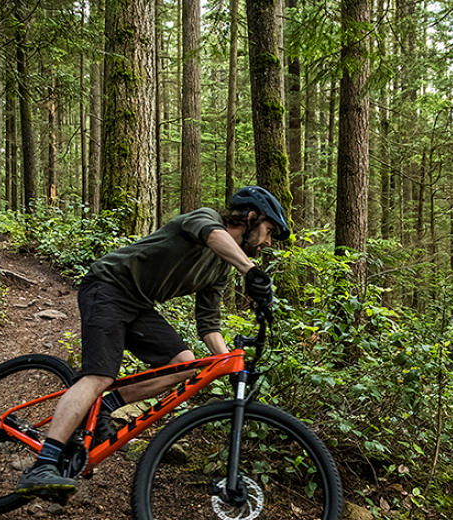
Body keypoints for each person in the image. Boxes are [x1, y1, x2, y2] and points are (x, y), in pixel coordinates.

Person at [16, 186, 290, 497]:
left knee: (185, 366)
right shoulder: (205, 220)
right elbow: (212, 234)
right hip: (107, 286)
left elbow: (209, 325)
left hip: (139, 304)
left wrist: (229, 364)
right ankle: (44, 463)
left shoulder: (219, 270)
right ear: (251, 217)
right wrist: (251, 271)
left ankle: (105, 405)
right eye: (268, 231)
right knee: (99, 375)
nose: (267, 242)